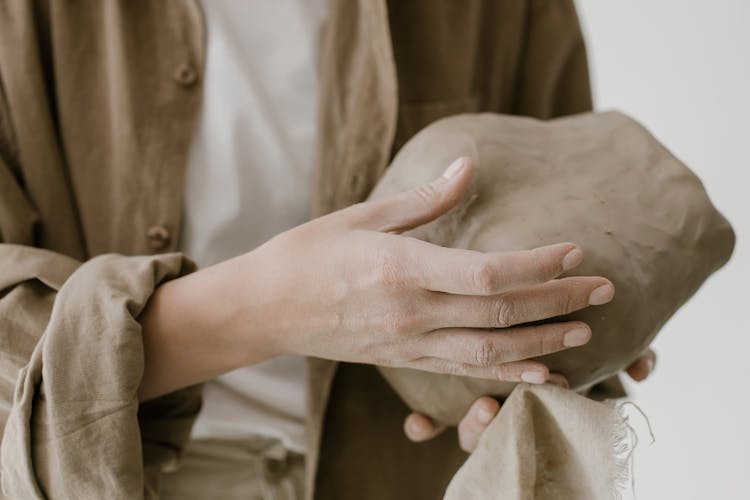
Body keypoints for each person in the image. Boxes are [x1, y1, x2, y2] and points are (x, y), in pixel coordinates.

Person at [0, 1, 655, 498]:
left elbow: (563, 200)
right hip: (120, 475)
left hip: (409, 478)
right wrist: (272, 308)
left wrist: (547, 351)